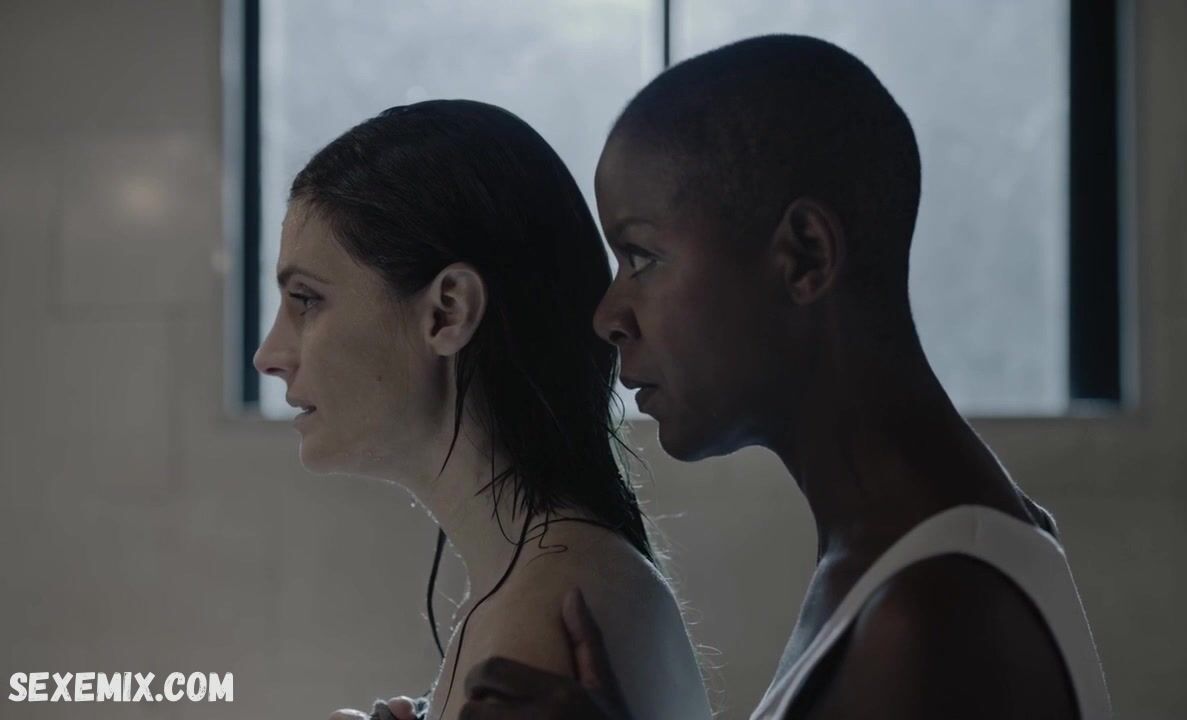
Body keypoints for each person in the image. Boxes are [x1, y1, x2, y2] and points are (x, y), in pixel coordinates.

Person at [458, 35, 1112, 719]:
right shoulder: (906, 557)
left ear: (804, 255)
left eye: (643, 257)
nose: (608, 315)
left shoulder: (934, 615)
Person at [252, 100, 711, 720]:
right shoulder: (553, 580)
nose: (269, 356)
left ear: (449, 310)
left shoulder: (544, 621)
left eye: (306, 300)